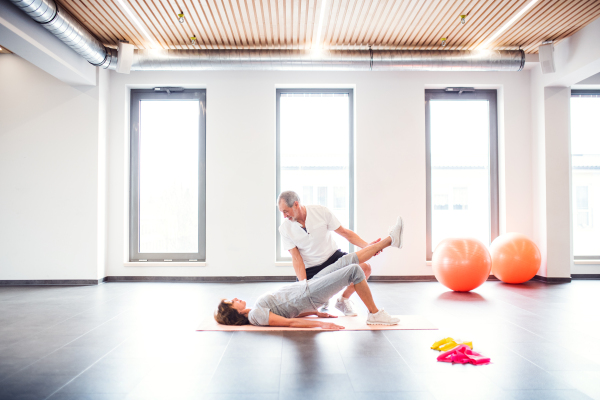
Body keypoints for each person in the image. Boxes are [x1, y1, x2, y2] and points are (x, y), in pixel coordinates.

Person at [214, 216, 403, 328]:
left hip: (307, 287)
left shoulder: (255, 310)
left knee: (347, 260)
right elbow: (289, 324)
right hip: (309, 294)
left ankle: (390, 240)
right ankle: (375, 314)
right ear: (233, 313)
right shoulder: (255, 316)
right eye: (232, 302)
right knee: (353, 270)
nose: (236, 298)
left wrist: (315, 314)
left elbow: (288, 314)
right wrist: (321, 324)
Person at [277, 191, 394, 317]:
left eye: (285, 211)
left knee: (365, 268)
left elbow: (345, 233)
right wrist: (303, 286)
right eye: (282, 212)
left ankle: (343, 301)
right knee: (302, 310)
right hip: (310, 268)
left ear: (296, 204)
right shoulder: (285, 229)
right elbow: (296, 258)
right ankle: (323, 295)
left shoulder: (321, 212)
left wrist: (368, 247)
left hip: (333, 258)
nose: (284, 216)